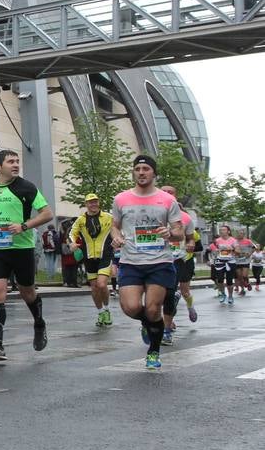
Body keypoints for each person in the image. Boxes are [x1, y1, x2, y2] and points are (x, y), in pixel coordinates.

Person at [109, 154, 184, 370]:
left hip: (159, 261)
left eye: (146, 169)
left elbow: (179, 232)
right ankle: (147, 324)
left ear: (154, 173)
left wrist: (170, 233)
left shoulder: (167, 200)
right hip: (131, 261)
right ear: (134, 172)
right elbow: (115, 225)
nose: (141, 172)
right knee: (131, 307)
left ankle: (154, 351)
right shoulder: (121, 199)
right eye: (138, 169)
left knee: (153, 310)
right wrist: (116, 236)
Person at [0, 149, 54, 361]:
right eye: (10, 161)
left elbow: (47, 214)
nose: (15, 164)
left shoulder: (26, 187)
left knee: (27, 291)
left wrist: (24, 225)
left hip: (21, 248)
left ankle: (39, 322)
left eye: (17, 161)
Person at [158, 185, 200, 340]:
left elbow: (193, 239)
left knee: (183, 291)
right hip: (160, 258)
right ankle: (169, 322)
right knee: (166, 293)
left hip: (182, 260)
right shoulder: (153, 213)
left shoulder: (185, 218)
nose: (167, 194)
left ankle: (189, 307)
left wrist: (191, 243)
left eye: (171, 192)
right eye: (165, 192)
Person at [68, 193, 115, 328]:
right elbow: (72, 233)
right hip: (88, 257)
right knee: (94, 287)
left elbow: (118, 229)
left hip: (105, 255)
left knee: (101, 284)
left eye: (95, 202)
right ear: (86, 204)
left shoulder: (108, 217)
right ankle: (100, 312)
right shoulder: (81, 220)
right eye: (90, 202)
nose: (93, 204)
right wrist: (72, 243)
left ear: (98, 203)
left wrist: (118, 239)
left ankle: (106, 310)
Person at [208, 225, 237, 305]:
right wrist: (216, 253)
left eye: (224, 230)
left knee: (229, 281)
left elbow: (238, 251)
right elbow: (214, 251)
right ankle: (223, 294)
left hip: (230, 262)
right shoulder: (217, 241)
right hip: (220, 262)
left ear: (228, 231)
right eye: (220, 230)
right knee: (219, 280)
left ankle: (230, 296)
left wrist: (231, 249)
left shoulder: (233, 240)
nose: (221, 231)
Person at [234, 228, 257, 297]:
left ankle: (247, 283)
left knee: (244, 275)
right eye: (239, 233)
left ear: (244, 234)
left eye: (241, 233)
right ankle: (242, 289)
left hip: (245, 261)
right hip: (237, 261)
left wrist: (249, 254)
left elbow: (254, 247)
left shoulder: (248, 241)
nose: (240, 234)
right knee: (239, 277)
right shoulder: (234, 241)